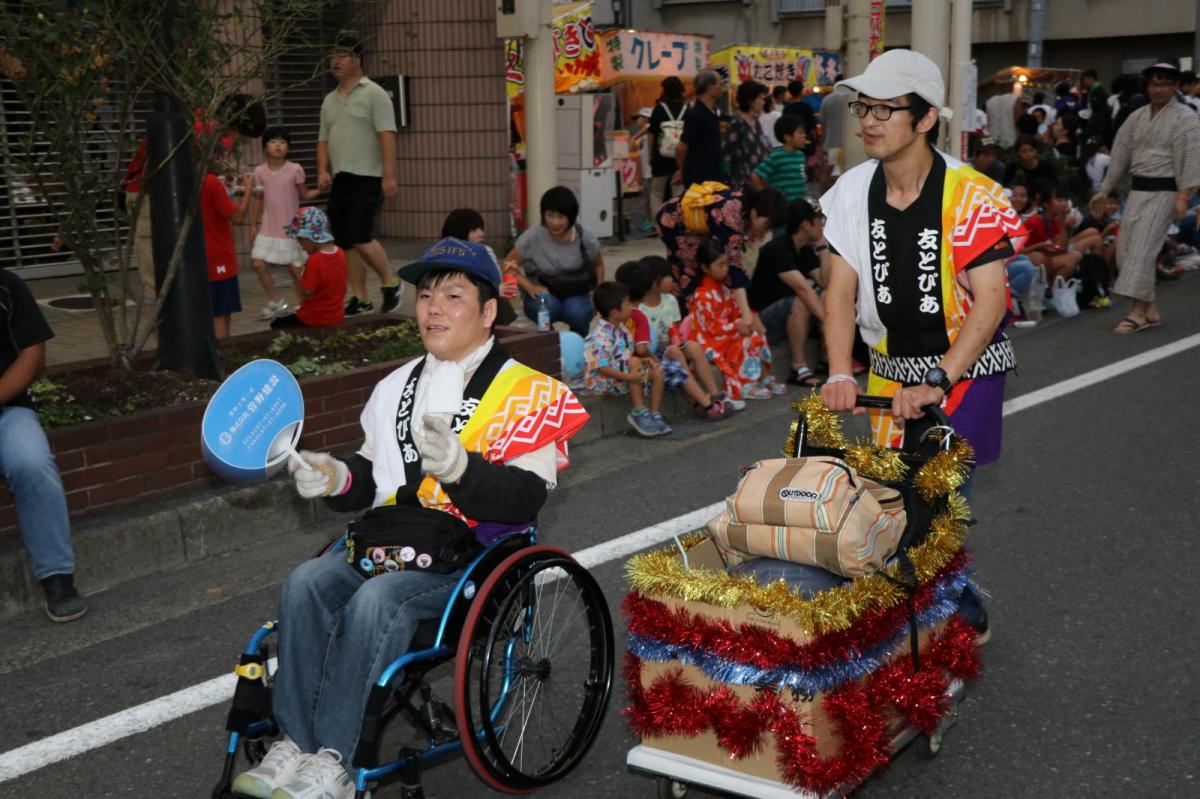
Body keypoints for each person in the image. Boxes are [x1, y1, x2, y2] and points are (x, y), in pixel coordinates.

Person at [232, 238, 588, 799]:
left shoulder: (528, 391)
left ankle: (337, 761)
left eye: (453, 294)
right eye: (425, 296)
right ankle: (294, 744)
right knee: (305, 583)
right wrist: (334, 477)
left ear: (489, 311)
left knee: (379, 599)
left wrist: (463, 471)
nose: (435, 308)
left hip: (471, 559)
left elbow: (526, 498)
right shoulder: (393, 386)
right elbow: (372, 476)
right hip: (388, 544)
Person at [820, 51, 1028, 641]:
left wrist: (940, 378)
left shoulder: (970, 195)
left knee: (930, 491)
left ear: (926, 118)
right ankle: (942, 595)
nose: (869, 120)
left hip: (963, 369)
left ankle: (952, 606)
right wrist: (840, 371)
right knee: (895, 494)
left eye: (887, 108)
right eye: (864, 107)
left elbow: (989, 302)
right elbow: (838, 292)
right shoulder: (850, 192)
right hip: (889, 371)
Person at [0, 268, 86, 623]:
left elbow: (33, 355)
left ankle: (57, 577)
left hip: (8, 409)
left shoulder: (7, 285)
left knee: (31, 462)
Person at [1096, 58, 1200, 333]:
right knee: (1127, 247)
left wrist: (1184, 196)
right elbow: (1119, 154)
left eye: (1165, 84)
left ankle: (1137, 312)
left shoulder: (1186, 118)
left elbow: (1191, 159)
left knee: (1142, 249)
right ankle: (1150, 308)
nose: (1158, 90)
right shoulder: (1136, 116)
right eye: (1154, 83)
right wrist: (1105, 189)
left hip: (1165, 191)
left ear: (1175, 86)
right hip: (1138, 191)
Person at [318, 35, 403, 317]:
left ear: (357, 60)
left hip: (369, 176)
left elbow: (386, 136)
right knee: (344, 241)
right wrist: (322, 170)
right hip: (341, 177)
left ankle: (391, 282)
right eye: (333, 56)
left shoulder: (374, 93)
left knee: (360, 234)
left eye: (342, 55)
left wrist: (388, 176)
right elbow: (323, 140)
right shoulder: (330, 100)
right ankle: (361, 298)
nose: (336, 62)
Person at [614, 260, 727, 421]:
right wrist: (652, 358)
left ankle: (708, 398)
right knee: (674, 363)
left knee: (680, 353)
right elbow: (641, 349)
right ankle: (706, 404)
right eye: (668, 276)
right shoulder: (638, 314)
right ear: (650, 285)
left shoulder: (622, 312)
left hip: (638, 357)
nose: (672, 279)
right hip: (642, 358)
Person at [656, 185, 787, 309]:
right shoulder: (731, 216)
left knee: (706, 265)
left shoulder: (746, 205)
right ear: (754, 212)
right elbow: (734, 266)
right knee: (697, 266)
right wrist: (745, 309)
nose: (767, 231)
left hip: (688, 223)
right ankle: (692, 312)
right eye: (767, 225)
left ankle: (682, 305)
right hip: (672, 222)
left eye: (771, 227)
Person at [749, 198, 829, 388]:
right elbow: (803, 289)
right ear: (806, 224)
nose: (822, 225)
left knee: (827, 294)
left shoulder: (804, 249)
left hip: (791, 317)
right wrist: (829, 321)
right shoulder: (777, 249)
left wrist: (823, 247)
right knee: (802, 300)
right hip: (763, 321)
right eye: (819, 221)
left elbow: (826, 281)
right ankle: (798, 368)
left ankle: (825, 359)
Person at [505, 186, 605, 337]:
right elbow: (508, 265)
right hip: (543, 294)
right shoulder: (533, 236)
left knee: (578, 312)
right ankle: (549, 342)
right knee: (545, 307)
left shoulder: (585, 237)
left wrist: (599, 293)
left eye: (560, 217)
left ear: (571, 217)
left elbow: (598, 265)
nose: (554, 222)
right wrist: (530, 286)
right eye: (549, 215)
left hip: (576, 292)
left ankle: (579, 343)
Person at [688, 239, 779, 401]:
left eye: (726, 263)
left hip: (725, 332)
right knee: (744, 338)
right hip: (710, 339)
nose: (725, 269)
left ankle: (762, 377)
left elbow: (737, 310)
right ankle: (746, 385)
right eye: (719, 265)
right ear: (705, 268)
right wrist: (737, 325)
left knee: (754, 330)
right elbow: (711, 328)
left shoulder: (723, 288)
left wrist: (751, 317)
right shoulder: (701, 295)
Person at [250, 126, 321, 320]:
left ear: (288, 148)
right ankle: (276, 301)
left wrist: (321, 189)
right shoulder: (259, 172)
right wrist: (253, 224)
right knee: (258, 263)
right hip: (268, 227)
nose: (278, 146)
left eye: (283, 142)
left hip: (292, 229)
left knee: (296, 269)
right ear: (265, 147)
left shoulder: (295, 169)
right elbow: (257, 199)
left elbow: (305, 194)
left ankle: (305, 306)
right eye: (273, 141)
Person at [584, 281, 669, 437]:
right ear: (615, 312)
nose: (631, 308)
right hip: (604, 382)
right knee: (635, 363)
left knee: (657, 370)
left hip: (622, 375)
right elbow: (602, 368)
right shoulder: (599, 336)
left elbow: (624, 356)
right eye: (628, 304)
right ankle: (639, 411)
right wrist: (629, 375)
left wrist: (645, 361)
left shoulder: (622, 328)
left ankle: (654, 414)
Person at [269, 207, 347, 329]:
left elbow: (307, 293)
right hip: (337, 314)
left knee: (276, 323)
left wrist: (297, 275)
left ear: (306, 239)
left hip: (314, 318)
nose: (303, 248)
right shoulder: (340, 253)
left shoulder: (315, 260)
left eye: (300, 242)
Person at [200, 165, 254, 339]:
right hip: (217, 256)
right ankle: (221, 359)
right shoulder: (209, 181)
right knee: (220, 314)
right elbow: (237, 217)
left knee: (217, 313)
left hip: (200, 256)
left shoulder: (185, 179)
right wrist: (248, 190)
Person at [440, 208, 518, 326]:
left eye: (481, 229)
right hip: (461, 309)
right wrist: (495, 291)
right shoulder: (478, 252)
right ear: (460, 231)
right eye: (474, 230)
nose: (481, 234)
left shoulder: (485, 251)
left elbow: (493, 281)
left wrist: (507, 275)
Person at [1022, 179, 1085, 283]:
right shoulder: (1035, 221)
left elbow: (1060, 248)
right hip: (1030, 258)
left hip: (1046, 258)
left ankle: (1052, 291)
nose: (1064, 204)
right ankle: (1048, 290)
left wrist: (1065, 228)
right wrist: (1039, 246)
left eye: (1065, 200)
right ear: (1046, 204)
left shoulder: (1055, 220)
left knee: (1076, 255)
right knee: (1039, 258)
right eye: (1059, 200)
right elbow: (1017, 250)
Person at [676, 69, 725, 190]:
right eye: (719, 84)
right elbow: (681, 148)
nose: (722, 87)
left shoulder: (713, 112)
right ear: (710, 87)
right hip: (699, 178)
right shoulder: (696, 114)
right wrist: (683, 171)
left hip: (713, 175)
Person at [647, 76, 688, 220]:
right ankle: (677, 222)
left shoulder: (659, 108)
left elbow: (652, 133)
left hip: (661, 156)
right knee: (678, 192)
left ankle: (659, 224)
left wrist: (650, 155)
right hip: (680, 158)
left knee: (657, 192)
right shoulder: (687, 109)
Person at [725, 80, 771, 190]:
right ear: (750, 101)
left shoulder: (756, 122)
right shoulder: (736, 123)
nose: (763, 102)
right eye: (760, 98)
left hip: (759, 181)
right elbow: (727, 156)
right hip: (742, 184)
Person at [751, 115, 809, 201]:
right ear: (787, 137)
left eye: (804, 132)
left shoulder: (801, 155)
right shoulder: (777, 156)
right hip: (784, 205)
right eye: (800, 132)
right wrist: (765, 196)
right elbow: (755, 175)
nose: (804, 136)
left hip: (801, 204)